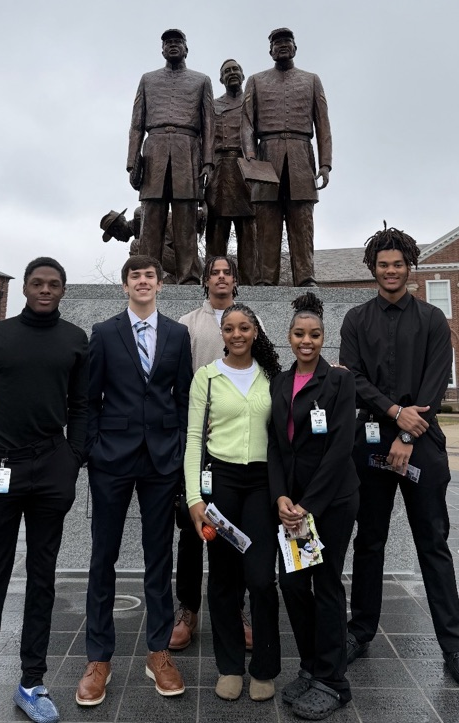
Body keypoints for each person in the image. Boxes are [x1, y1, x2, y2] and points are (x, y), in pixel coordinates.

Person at [339, 226, 459, 688]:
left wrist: (409, 432)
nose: (391, 271)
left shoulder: (434, 320)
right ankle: (359, 633)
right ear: (373, 269)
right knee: (370, 542)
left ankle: (454, 647)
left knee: (433, 545)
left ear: (409, 267)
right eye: (383, 265)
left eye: (398, 264)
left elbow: (436, 383)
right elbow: (352, 378)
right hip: (373, 443)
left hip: (423, 442)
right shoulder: (356, 320)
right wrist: (395, 413)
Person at [0, 258, 89, 723]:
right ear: (26, 287)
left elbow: (84, 405)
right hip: (0, 471)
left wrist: (73, 460)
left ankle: (32, 682)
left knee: (43, 578)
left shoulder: (74, 340)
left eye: (53, 284)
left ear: (63, 291)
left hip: (52, 471)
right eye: (37, 283)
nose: (45, 289)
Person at [76, 256, 192, 706]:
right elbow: (89, 398)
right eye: (135, 277)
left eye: (149, 277)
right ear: (125, 286)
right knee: (102, 557)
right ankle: (98, 658)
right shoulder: (105, 333)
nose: (142, 282)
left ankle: (158, 653)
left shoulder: (178, 334)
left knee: (158, 558)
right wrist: (91, 448)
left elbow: (182, 396)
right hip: (112, 459)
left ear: (160, 285)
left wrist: (181, 447)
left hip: (162, 460)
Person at [184, 304, 282, 701]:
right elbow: (193, 440)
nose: (237, 334)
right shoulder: (206, 378)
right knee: (223, 579)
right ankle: (229, 666)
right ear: (221, 333)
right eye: (229, 328)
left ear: (256, 331)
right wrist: (194, 498)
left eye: (244, 327)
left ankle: (264, 667)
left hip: (261, 484)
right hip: (220, 482)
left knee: (260, 578)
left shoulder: (272, 378)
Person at [268, 294, 359, 719]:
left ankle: (334, 682)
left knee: (326, 587)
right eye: (300, 334)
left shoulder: (340, 382)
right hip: (294, 508)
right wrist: (282, 498)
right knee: (291, 585)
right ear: (289, 338)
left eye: (315, 335)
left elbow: (340, 449)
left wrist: (308, 505)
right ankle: (311, 666)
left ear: (324, 339)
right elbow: (277, 448)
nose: (308, 341)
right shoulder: (281, 383)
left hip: (331, 502)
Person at [171, 255, 251, 651]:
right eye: (214, 272)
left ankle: (236, 608)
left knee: (232, 531)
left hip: (235, 444)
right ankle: (188, 609)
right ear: (205, 281)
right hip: (197, 441)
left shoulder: (252, 321)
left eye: (227, 272)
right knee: (190, 528)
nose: (221, 277)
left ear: (235, 281)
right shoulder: (188, 324)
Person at [241, 27, 332, 287]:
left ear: (295, 47)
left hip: (301, 154)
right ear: (270, 50)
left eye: (287, 42)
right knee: (267, 222)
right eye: (277, 43)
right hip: (265, 154)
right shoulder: (256, 81)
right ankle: (265, 280)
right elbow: (246, 122)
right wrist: (249, 154)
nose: (282, 46)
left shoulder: (312, 79)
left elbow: (323, 124)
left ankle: (305, 277)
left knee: (302, 221)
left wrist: (325, 164)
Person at [126, 27, 214, 284]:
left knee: (186, 216)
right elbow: (136, 124)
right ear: (162, 49)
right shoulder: (148, 79)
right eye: (167, 43)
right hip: (154, 149)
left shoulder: (202, 80)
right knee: (151, 216)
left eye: (178, 41)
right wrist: (132, 162)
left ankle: (189, 277)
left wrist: (208, 162)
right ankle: (146, 273)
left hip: (188, 148)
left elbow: (210, 125)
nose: (172, 45)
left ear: (186, 48)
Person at [205, 59, 257, 284]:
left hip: (245, 168)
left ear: (243, 75)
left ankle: (251, 282)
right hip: (219, 170)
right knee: (216, 230)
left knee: (248, 230)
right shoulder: (212, 105)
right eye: (227, 71)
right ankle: (213, 280)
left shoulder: (253, 102)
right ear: (220, 79)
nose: (232, 73)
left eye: (235, 69)